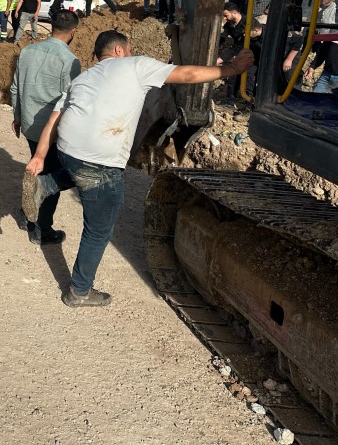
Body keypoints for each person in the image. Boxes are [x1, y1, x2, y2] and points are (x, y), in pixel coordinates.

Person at [26, 30, 254, 307]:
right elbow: (187, 75)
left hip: (67, 150)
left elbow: (54, 118)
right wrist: (230, 69)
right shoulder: (136, 66)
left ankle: (47, 183)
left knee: (79, 171)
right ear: (120, 50)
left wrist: (39, 157)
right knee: (98, 230)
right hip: (101, 160)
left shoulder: (83, 78)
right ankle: (79, 292)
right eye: (130, 49)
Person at [11, 8, 81, 244]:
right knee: (49, 179)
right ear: (73, 32)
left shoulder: (28, 51)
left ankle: (25, 214)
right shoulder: (70, 60)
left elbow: (15, 89)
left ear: (51, 26)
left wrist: (18, 116)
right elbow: (69, 100)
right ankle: (41, 228)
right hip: (51, 131)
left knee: (35, 167)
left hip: (30, 123)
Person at [218, 2, 246, 105]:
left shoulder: (248, 23)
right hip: (239, 53)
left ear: (234, 13)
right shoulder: (230, 25)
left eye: (226, 15)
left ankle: (248, 108)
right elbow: (223, 37)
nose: (225, 18)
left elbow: (237, 47)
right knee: (233, 79)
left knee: (250, 81)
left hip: (253, 54)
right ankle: (229, 104)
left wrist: (221, 59)